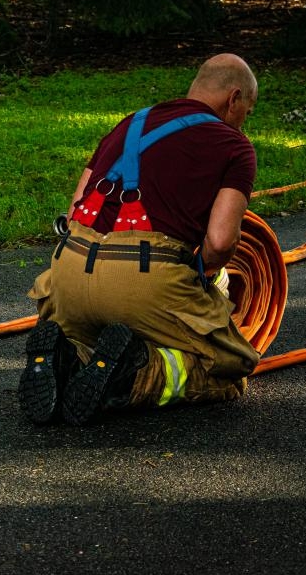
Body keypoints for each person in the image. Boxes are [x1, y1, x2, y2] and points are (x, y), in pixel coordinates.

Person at [19, 53, 260, 426]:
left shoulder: (129, 125)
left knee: (96, 339)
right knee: (231, 369)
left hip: (66, 275)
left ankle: (69, 358)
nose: (245, 120)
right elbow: (220, 242)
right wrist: (202, 280)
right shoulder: (234, 146)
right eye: (248, 108)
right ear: (234, 99)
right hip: (143, 279)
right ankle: (132, 374)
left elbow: (74, 212)